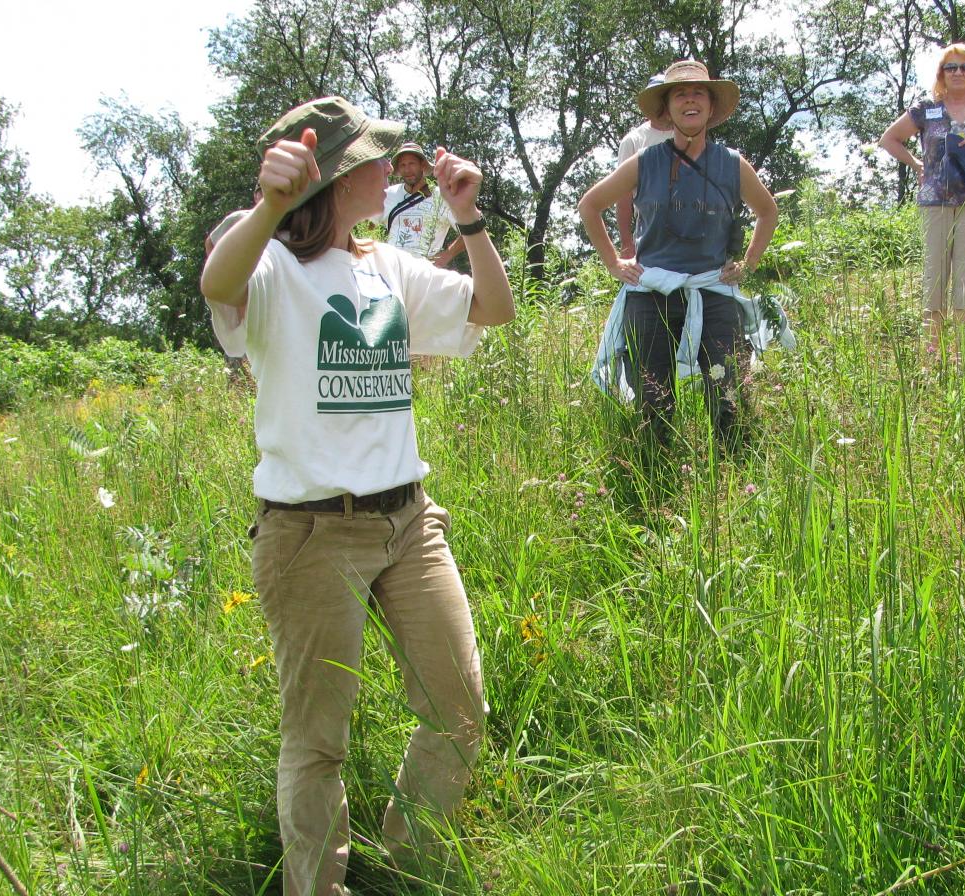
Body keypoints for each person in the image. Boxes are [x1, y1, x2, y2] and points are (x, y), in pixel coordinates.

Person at [200, 96, 514, 896]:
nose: (392, 167)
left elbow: (494, 310)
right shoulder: (266, 263)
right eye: (377, 158)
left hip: (409, 520)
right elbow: (218, 282)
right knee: (317, 740)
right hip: (309, 533)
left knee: (460, 706)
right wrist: (271, 202)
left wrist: (469, 217)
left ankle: (408, 862)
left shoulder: (384, 266)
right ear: (340, 175)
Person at [579, 60, 784, 451]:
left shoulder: (731, 163)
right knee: (653, 403)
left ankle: (734, 478)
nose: (690, 99)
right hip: (652, 292)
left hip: (713, 290)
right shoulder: (644, 162)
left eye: (698, 92)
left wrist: (749, 263)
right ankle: (656, 485)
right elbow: (590, 205)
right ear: (668, 108)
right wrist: (613, 262)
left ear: (710, 105)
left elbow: (767, 210)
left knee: (729, 399)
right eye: (680, 93)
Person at [879, 44, 965, 354]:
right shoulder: (927, 108)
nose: (958, 73)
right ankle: (930, 360)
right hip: (935, 202)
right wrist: (917, 164)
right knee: (934, 279)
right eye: (951, 67)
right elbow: (889, 139)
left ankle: (961, 360)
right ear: (942, 73)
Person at [373, 142, 467, 268]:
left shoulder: (441, 197)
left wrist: (446, 256)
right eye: (403, 165)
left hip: (425, 273)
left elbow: (469, 231)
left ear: (422, 165)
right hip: (392, 270)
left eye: (412, 164)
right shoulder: (388, 195)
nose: (407, 170)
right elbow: (368, 223)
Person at [615, 73, 674, 259]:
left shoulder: (691, 136)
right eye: (657, 99)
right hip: (649, 241)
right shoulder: (633, 141)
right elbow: (623, 197)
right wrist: (626, 244)